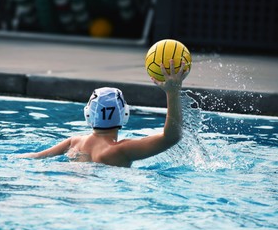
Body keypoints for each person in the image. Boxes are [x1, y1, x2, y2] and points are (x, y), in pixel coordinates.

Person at [17, 60, 187, 167]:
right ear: (124, 115)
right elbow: (171, 137)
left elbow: (35, 157)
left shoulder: (73, 142)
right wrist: (172, 93)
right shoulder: (120, 150)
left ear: (88, 114)